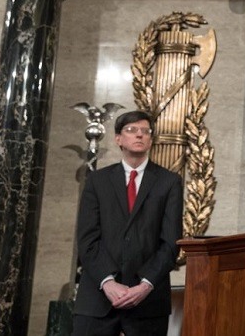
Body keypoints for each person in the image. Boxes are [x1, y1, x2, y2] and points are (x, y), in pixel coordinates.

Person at [73, 110, 183, 336]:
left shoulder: (169, 182)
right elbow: (87, 239)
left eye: (145, 131)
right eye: (132, 130)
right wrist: (108, 283)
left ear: (151, 139)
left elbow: (171, 243)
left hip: (147, 300)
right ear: (118, 139)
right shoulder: (97, 180)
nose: (139, 135)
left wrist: (145, 285)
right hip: (97, 298)